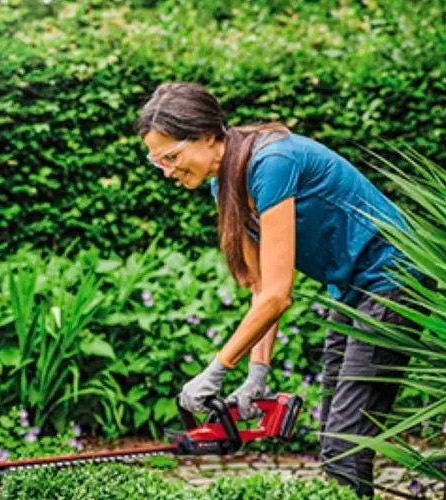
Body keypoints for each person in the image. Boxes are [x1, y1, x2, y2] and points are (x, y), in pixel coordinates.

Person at [135, 82, 429, 498]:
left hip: (395, 279)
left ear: (204, 136)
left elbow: (279, 294)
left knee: (346, 444)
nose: (167, 171)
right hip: (350, 289)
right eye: (157, 162)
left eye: (171, 157)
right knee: (333, 439)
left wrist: (215, 370)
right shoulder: (226, 183)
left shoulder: (271, 162)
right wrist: (257, 374)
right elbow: (260, 289)